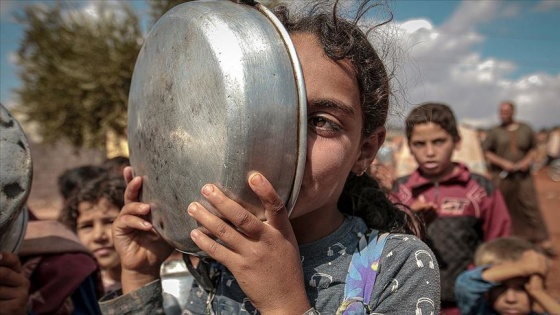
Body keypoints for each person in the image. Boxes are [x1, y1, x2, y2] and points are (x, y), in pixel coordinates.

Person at [98, 2, 440, 314]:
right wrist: (139, 278)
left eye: (322, 122)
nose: (288, 143)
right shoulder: (210, 250)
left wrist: (283, 303)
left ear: (365, 150)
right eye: (266, 115)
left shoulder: (397, 264)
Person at [392, 102, 512, 314]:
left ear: (456, 141)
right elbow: (386, 250)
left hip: (468, 302)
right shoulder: (400, 191)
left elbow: (499, 243)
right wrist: (411, 223)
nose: (430, 152)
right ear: (409, 146)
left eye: (439, 141)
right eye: (420, 143)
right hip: (412, 300)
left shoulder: (480, 189)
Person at [482, 101, 554, 256]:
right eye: (501, 111)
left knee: (530, 206)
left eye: (506, 111)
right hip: (502, 177)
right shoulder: (495, 132)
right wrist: (503, 163)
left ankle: (543, 241)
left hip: (523, 177)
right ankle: (506, 243)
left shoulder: (525, 129)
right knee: (502, 206)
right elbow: (487, 152)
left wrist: (526, 162)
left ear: (513, 112)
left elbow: (533, 149)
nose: (503, 114)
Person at [455, 237, 560, 315]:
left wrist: (538, 292)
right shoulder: (479, 311)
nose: (511, 299)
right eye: (500, 287)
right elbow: (466, 284)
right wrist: (523, 268)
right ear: (487, 292)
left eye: (522, 288)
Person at [59, 175, 126, 293]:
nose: (98, 236)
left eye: (110, 222)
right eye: (87, 226)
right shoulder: (78, 291)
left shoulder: (166, 283)